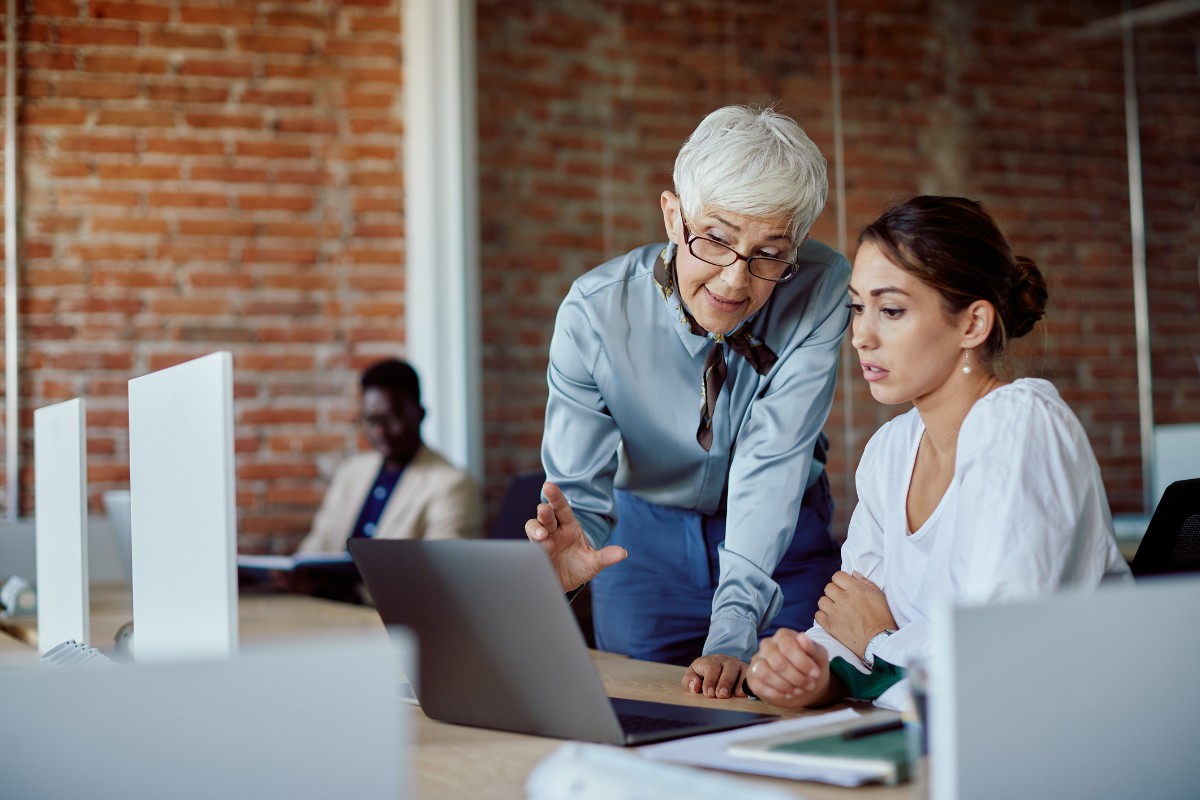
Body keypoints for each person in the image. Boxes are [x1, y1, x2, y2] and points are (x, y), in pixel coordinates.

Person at [746, 195, 1132, 711]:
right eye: (858, 307)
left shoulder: (1021, 424)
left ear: (972, 325)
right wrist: (810, 670)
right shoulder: (890, 450)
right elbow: (846, 625)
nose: (861, 335)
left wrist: (881, 640)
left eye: (891, 310)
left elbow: (998, 661)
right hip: (935, 741)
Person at [526, 106, 849, 700]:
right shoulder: (592, 313)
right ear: (674, 217)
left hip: (784, 539)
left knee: (791, 723)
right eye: (717, 240)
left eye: (769, 253)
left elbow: (772, 458)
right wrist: (568, 560)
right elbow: (578, 495)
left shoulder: (822, 286)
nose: (734, 281)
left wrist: (732, 630)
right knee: (643, 720)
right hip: (643, 545)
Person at [295, 358, 483, 554]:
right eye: (371, 420)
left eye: (392, 419)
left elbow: (447, 569)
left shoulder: (452, 485)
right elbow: (318, 544)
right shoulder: (351, 473)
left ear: (420, 414)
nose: (379, 432)